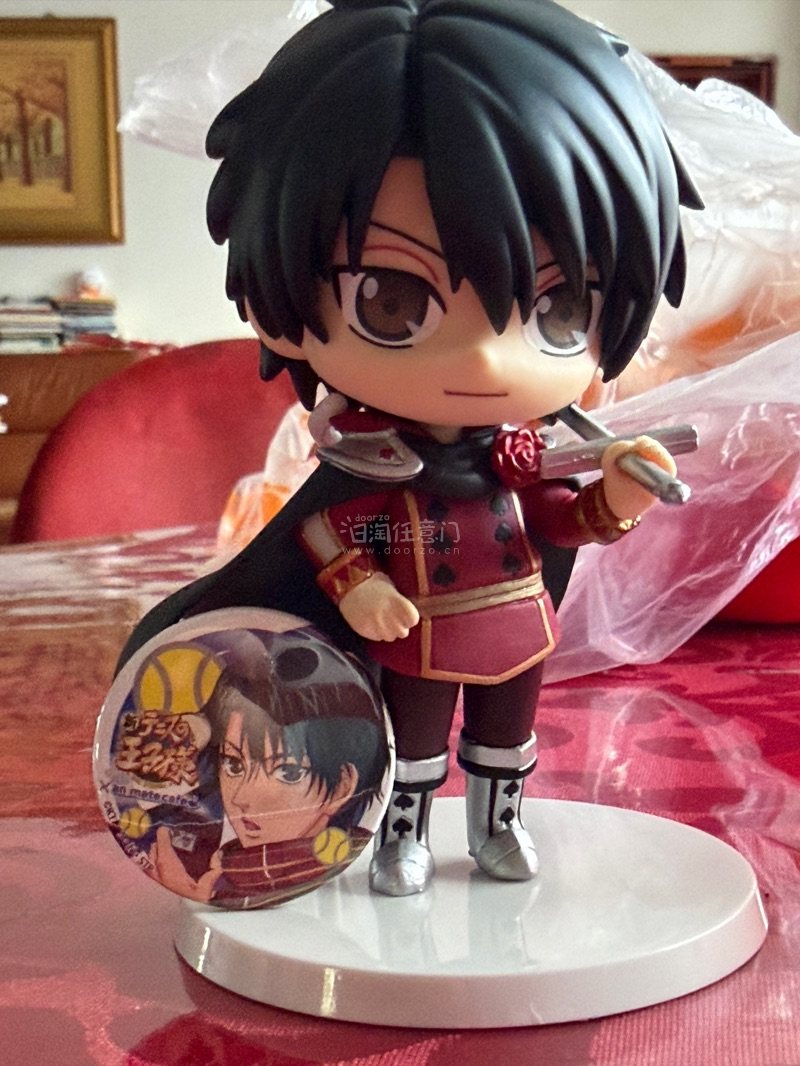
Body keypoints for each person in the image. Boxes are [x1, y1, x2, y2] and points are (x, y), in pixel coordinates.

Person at [120, 0, 702, 896]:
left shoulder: (519, 453)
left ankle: (500, 824)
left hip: (516, 624)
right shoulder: (369, 459)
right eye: (392, 303)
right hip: (418, 631)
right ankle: (406, 834)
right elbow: (330, 529)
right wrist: (360, 585)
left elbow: (558, 520)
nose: (483, 359)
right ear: (277, 303)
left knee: (507, 737)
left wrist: (616, 498)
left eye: (560, 309)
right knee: (414, 743)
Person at [146, 628, 390, 907]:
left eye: (287, 772)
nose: (241, 798)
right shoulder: (206, 855)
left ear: (343, 787)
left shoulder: (247, 872)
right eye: (233, 765)